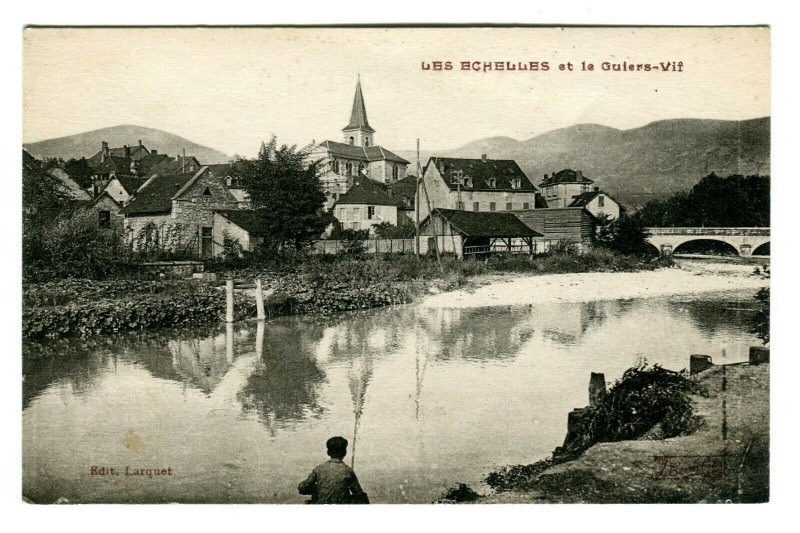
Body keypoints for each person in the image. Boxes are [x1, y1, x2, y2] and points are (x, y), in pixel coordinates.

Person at [298, 436, 369, 504]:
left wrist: (317, 489)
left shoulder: (319, 469)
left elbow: (302, 488)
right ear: (344, 452)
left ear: (328, 452)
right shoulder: (348, 471)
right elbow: (358, 493)